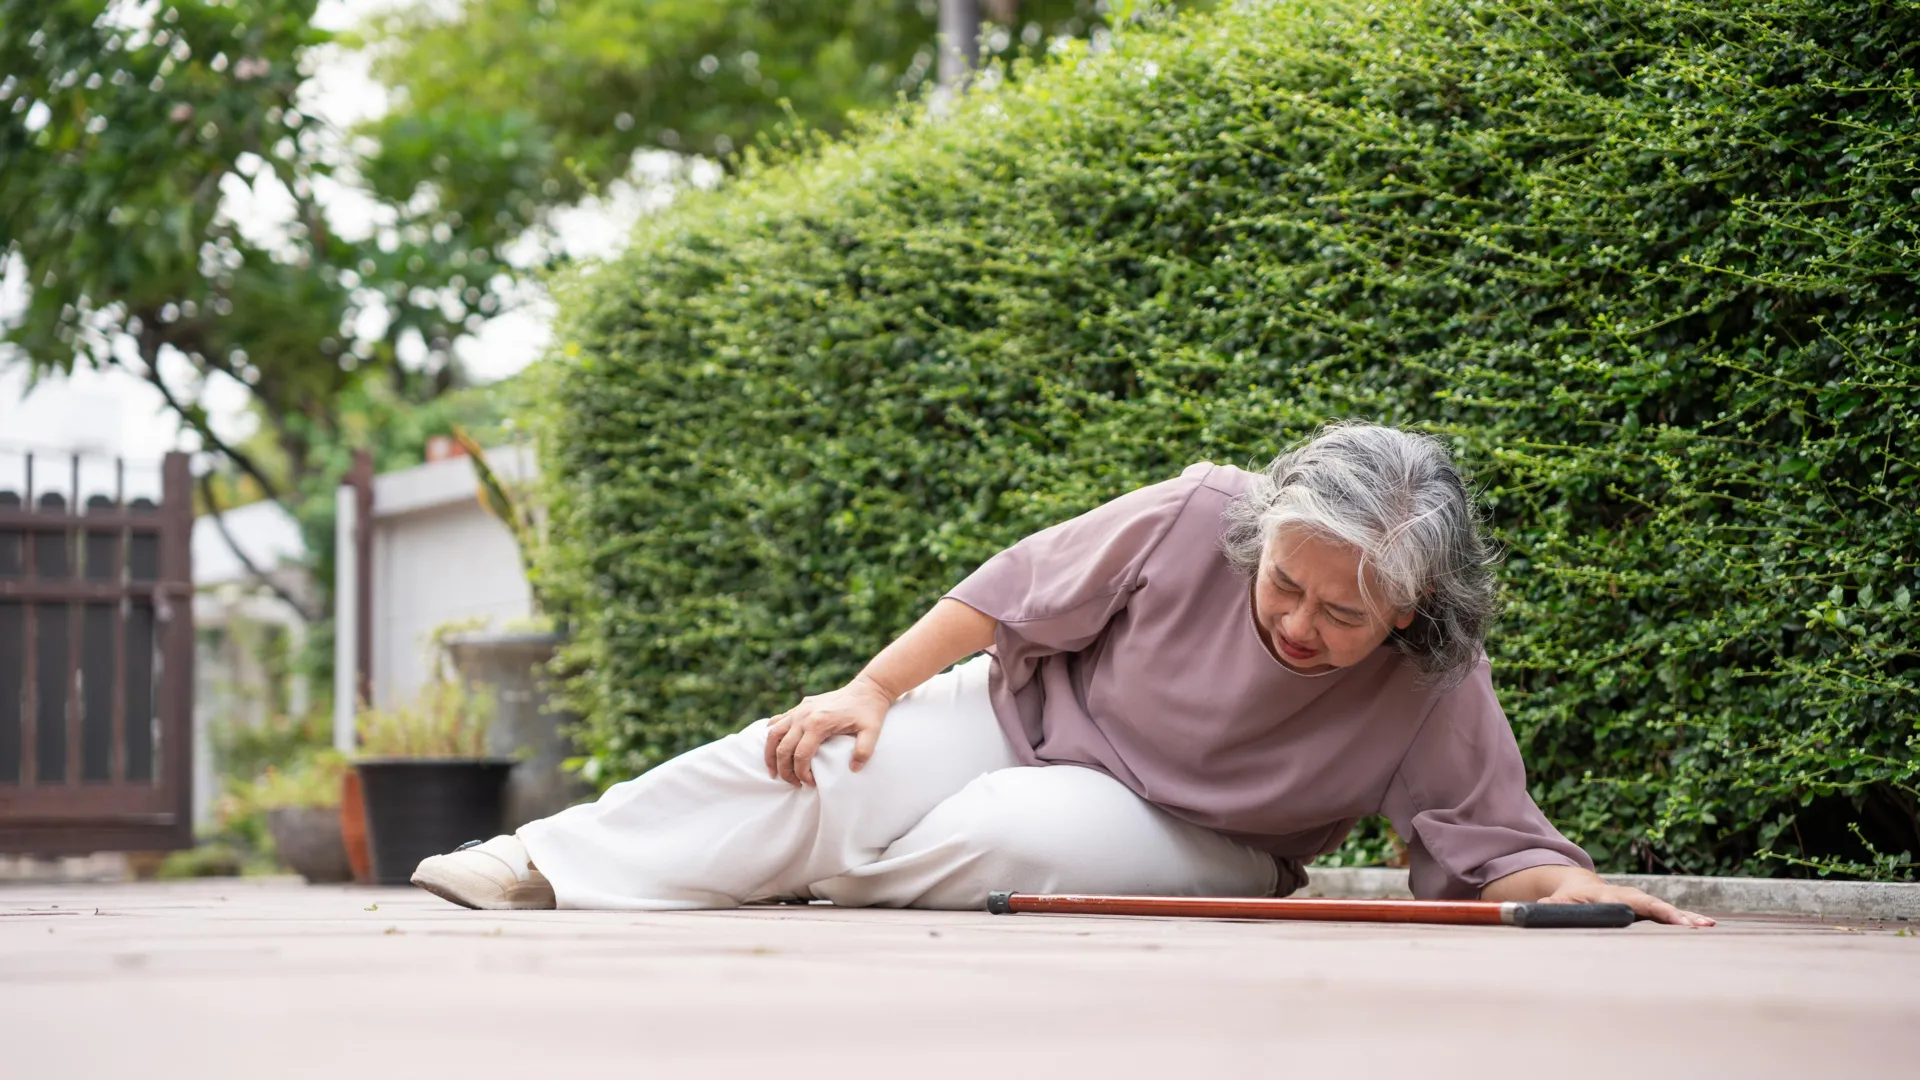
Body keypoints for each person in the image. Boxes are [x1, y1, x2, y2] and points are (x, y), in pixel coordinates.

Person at [412, 421, 1712, 926]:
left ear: (1412, 614)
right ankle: (550, 857)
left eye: (1344, 618)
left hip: (1204, 834)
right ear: (1259, 538)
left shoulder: (1434, 673)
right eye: (1285, 589)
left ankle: (782, 871)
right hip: (1029, 713)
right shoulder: (1201, 507)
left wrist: (1587, 892)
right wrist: (870, 688)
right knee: (833, 759)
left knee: (994, 836)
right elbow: (1006, 589)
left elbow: (1497, 842)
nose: (1304, 628)